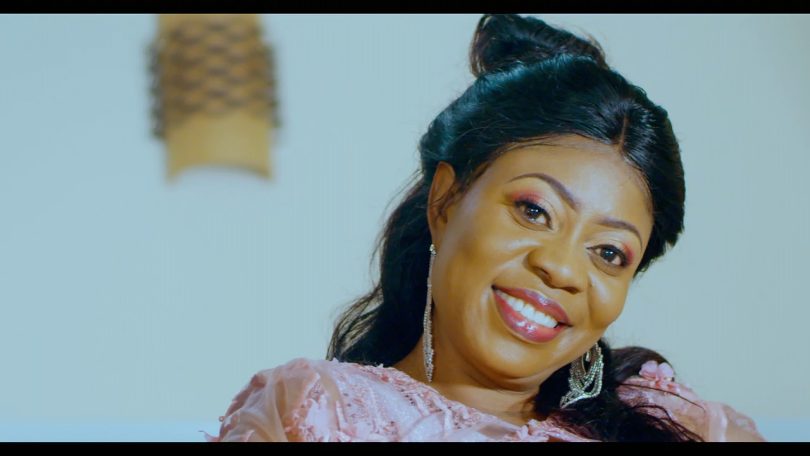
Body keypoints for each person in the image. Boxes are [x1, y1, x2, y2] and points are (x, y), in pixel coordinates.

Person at [210, 14, 766, 442]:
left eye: (609, 253)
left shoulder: (682, 424)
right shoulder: (314, 410)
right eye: (534, 211)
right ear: (446, 201)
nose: (562, 268)